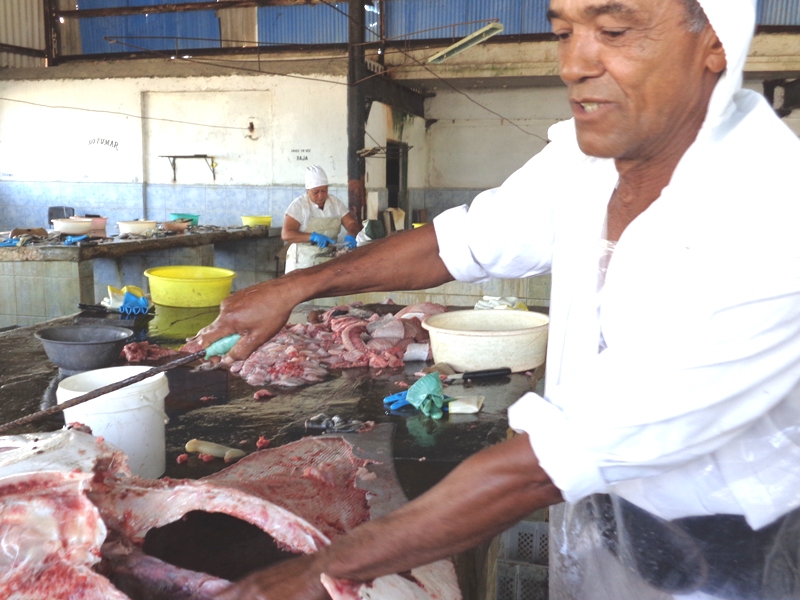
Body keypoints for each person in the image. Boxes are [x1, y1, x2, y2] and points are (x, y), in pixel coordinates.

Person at [194, 0, 800, 598]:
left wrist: (309, 572)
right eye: (564, 32)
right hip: (594, 513)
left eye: (614, 30)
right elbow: (460, 242)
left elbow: (544, 464)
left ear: (714, 41)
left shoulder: (769, 214)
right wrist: (296, 287)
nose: (573, 64)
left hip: (723, 557)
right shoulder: (587, 162)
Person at [282, 165, 361, 273]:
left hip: (327, 259)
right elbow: (286, 234)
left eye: (324, 190)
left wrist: (351, 235)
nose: (321, 195)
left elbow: (351, 223)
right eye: (316, 192)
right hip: (303, 262)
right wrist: (312, 237)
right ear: (307, 190)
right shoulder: (298, 206)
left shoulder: (335, 203)